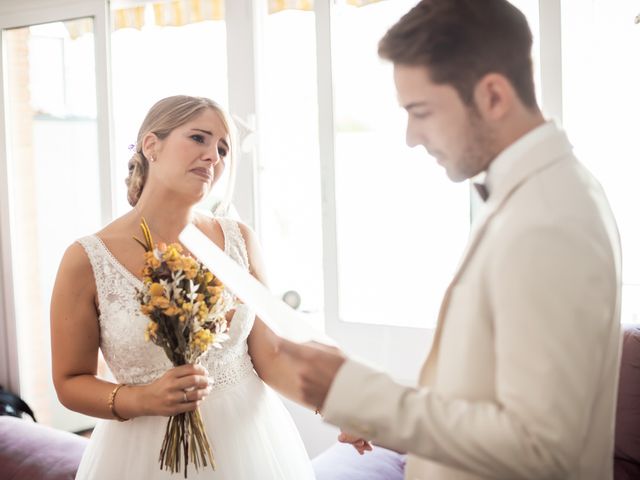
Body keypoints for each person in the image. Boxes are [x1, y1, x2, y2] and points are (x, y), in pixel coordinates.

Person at [279, 1, 622, 479]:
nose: (410, 138)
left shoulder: (547, 219)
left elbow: (541, 448)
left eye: (420, 112)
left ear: (494, 96)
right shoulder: (535, 194)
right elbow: (483, 398)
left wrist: (356, 392)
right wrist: (366, 406)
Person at [50, 95, 315, 479]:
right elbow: (69, 381)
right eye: (199, 138)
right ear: (151, 145)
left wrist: (335, 408)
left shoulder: (239, 239)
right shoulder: (86, 259)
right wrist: (141, 399)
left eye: (223, 148)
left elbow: (271, 354)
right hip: (141, 454)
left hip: (249, 443)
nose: (214, 157)